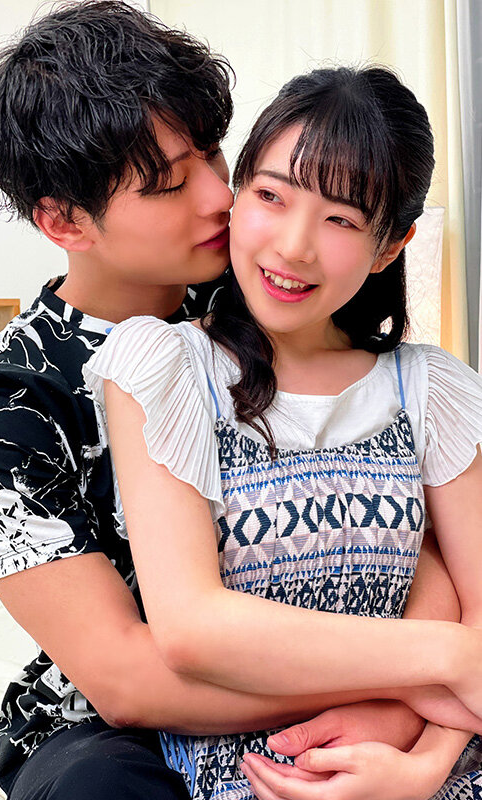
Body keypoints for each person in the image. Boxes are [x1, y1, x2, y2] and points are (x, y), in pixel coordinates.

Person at [0, 4, 461, 799]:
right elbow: (125, 677)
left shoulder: (270, 284)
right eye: (168, 185)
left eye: (215, 154)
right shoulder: (5, 400)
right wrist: (410, 683)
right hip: (110, 723)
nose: (221, 197)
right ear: (63, 221)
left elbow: (403, 519)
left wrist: (400, 708)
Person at [84, 66, 482, 800]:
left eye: (342, 220)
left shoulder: (432, 388)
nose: (294, 246)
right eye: (272, 196)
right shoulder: (164, 366)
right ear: (237, 194)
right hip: (252, 775)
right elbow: (193, 628)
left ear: (391, 245)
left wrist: (421, 764)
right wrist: (447, 656)